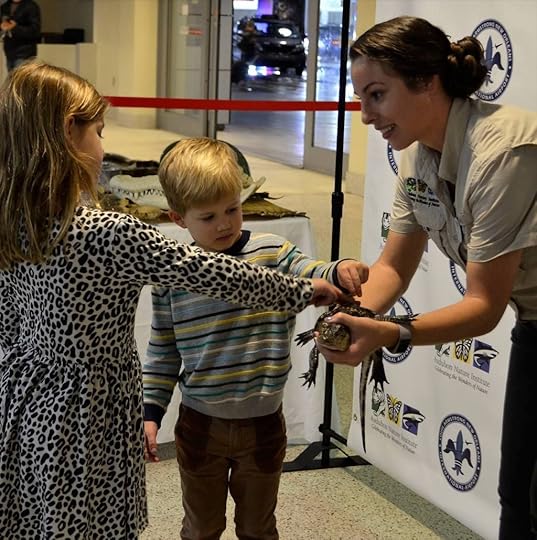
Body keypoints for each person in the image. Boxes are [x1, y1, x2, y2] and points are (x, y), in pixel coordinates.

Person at [0, 61, 350, 538]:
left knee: (36, 519)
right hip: (87, 410)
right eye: (99, 131)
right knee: (91, 523)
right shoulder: (106, 232)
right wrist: (306, 289)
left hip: (22, 397)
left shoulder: (11, 224)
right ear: (69, 133)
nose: (104, 147)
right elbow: (214, 275)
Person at [316, 16, 537, 539]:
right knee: (517, 495)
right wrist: (352, 312)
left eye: (376, 95)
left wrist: (391, 333)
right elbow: (393, 266)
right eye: (360, 97)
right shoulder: (416, 154)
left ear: (428, 81)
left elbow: (482, 306)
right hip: (534, 319)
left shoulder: (502, 153)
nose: (365, 115)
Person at [142, 137, 369, 540]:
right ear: (179, 219)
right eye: (208, 217)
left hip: (264, 423)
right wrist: (150, 413)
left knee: (259, 527)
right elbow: (163, 349)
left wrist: (340, 269)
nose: (225, 224)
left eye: (233, 209)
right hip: (200, 425)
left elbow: (309, 268)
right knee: (201, 527)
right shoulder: (173, 275)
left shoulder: (272, 251)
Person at [0, 0, 41, 71]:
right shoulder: (4, 6)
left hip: (25, 52)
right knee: (12, 80)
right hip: (9, 51)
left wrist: (15, 28)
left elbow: (35, 30)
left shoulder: (31, 6)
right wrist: (2, 26)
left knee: (21, 79)